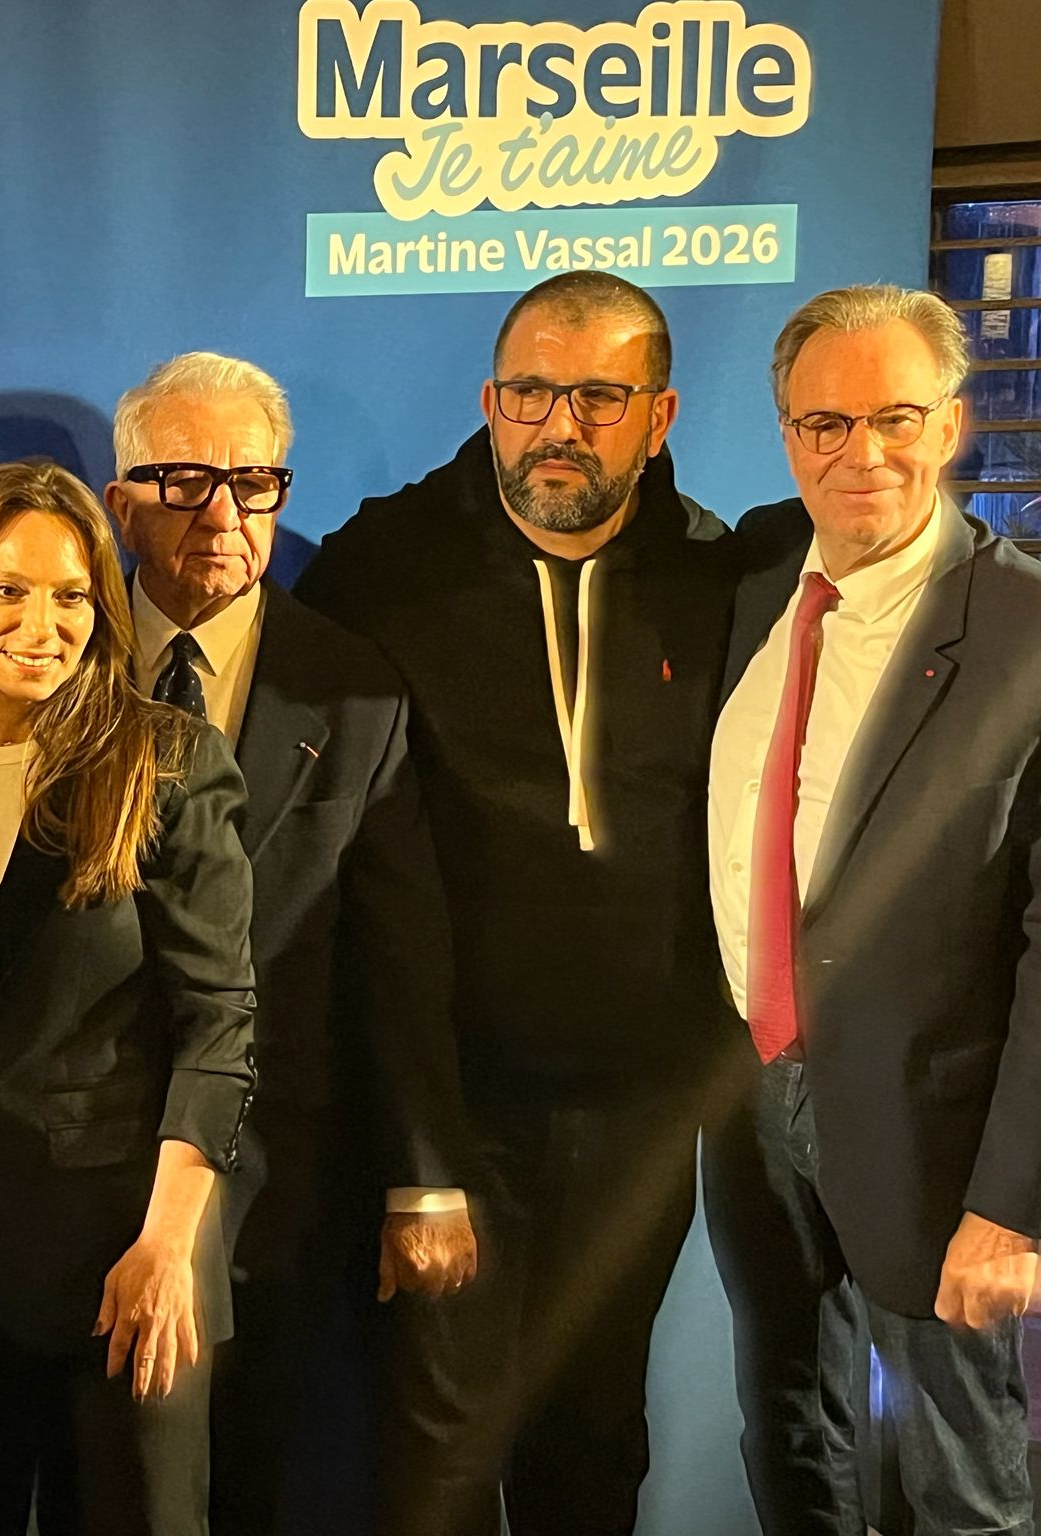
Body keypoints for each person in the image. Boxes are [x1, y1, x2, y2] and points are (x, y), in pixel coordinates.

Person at [294, 271, 740, 1536]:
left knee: (596, 1435)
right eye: (530, 393)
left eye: (596, 397)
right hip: (452, 1105)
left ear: (655, 417)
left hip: (641, 1112)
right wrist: (413, 1160)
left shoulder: (723, 579)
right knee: (436, 1450)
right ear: (489, 402)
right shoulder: (378, 569)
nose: (557, 425)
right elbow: (338, 875)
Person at [102, 352, 473, 1536]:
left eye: (252, 482)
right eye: (181, 481)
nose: (220, 515)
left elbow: (397, 951)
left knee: (250, 1485)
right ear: (118, 501)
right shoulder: (44, 655)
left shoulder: (354, 689)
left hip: (275, 1180)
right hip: (69, 1173)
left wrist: (421, 1171)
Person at [707, 284, 1039, 1535]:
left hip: (937, 1129)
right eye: (824, 423)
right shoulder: (750, 584)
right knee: (789, 1423)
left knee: (959, 1475)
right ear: (786, 434)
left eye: (894, 418)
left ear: (950, 424)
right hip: (750, 1090)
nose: (862, 454)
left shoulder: (1023, 627)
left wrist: (1011, 1203)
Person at [0, 457, 257, 1535]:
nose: (41, 623)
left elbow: (219, 1026)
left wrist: (166, 1246)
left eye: (70, 594)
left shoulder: (166, 763)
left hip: (126, 1265)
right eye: (7, 589)